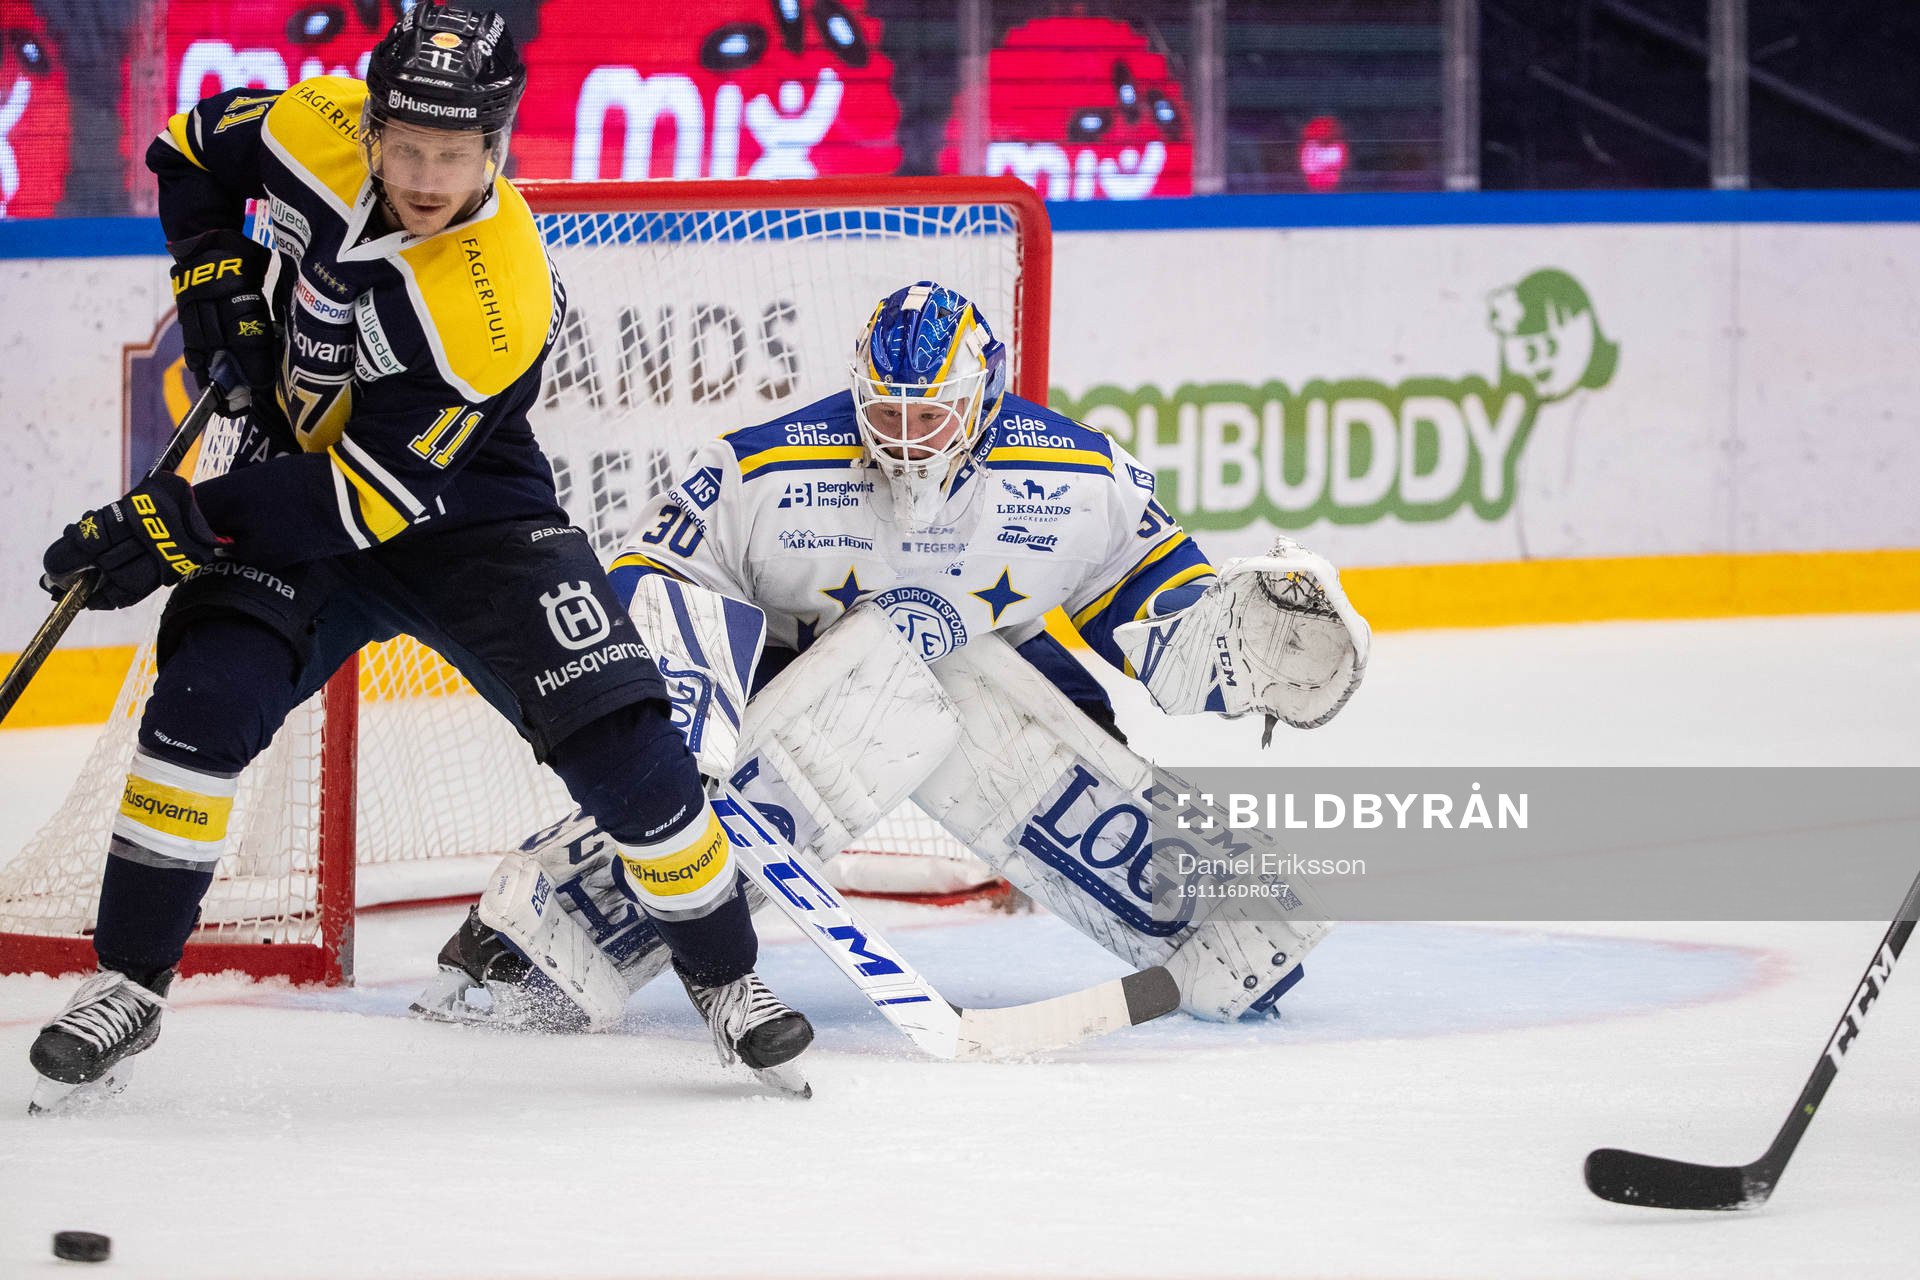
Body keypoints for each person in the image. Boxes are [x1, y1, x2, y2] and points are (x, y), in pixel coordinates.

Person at [28, 1, 809, 1112]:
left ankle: (729, 981)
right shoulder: (314, 124)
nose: (428, 174)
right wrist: (213, 288)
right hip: (297, 472)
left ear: (499, 144)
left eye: (456, 153)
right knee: (198, 706)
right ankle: (127, 984)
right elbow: (191, 152)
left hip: (460, 512)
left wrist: (171, 526)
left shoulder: (497, 296)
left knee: (627, 740)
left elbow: (367, 498)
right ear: (374, 123)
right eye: (407, 147)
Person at [420, 279, 1368, 1030]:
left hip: (1001, 661)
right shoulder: (761, 469)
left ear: (985, 402)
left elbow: (1156, 609)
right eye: (888, 413)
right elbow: (662, 578)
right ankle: (554, 924)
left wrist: (1228, 642)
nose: (905, 439)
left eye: (931, 418)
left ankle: (1211, 916)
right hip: (798, 675)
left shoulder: (1080, 480)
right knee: (789, 754)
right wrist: (688, 737)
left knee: (1042, 748)